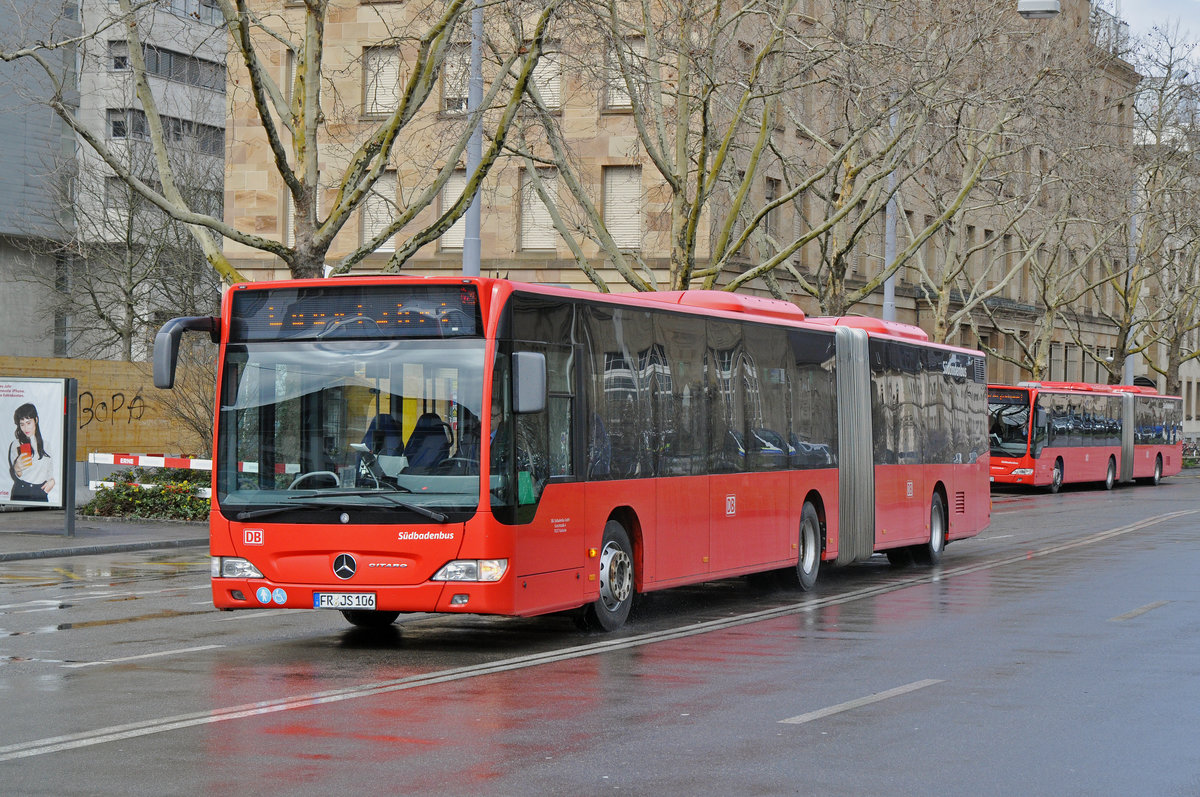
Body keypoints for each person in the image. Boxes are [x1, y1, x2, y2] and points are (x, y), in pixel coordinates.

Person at [8, 403, 55, 502]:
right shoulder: (17, 444)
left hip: (40, 492)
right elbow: (19, 474)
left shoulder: (46, 445)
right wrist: (17, 468)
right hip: (22, 490)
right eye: (22, 424)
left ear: (36, 420)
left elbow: (49, 470)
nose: (26, 428)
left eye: (28, 423)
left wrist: (52, 481)